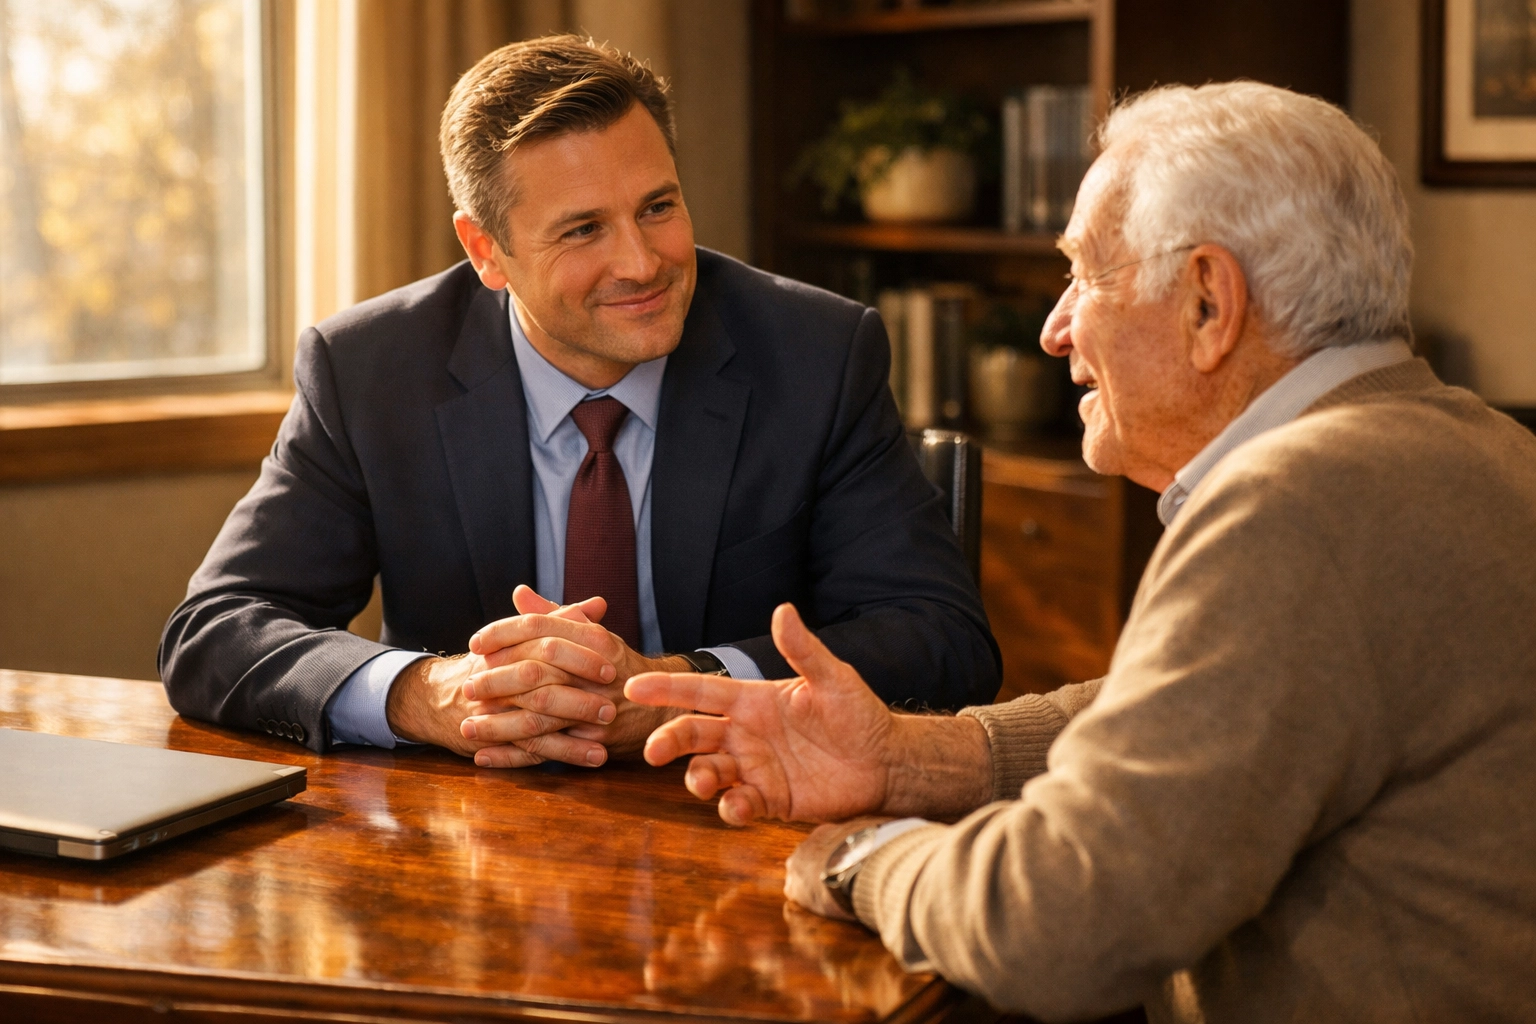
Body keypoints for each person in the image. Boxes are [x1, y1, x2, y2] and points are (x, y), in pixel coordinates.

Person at [625, 82, 1536, 1023]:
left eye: (1086, 276)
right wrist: (907, 759)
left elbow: (1055, 927)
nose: (1054, 328)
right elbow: (1188, 714)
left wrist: (862, 858)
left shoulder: (1296, 509)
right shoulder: (1485, 450)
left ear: (1209, 302)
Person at [158, 36, 998, 769]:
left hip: (744, 808)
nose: (643, 263)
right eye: (584, 229)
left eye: (658, 208)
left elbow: (941, 636)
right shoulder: (370, 371)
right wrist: (429, 693)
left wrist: (682, 690)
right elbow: (217, 628)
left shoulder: (817, 353)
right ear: (487, 251)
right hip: (468, 835)